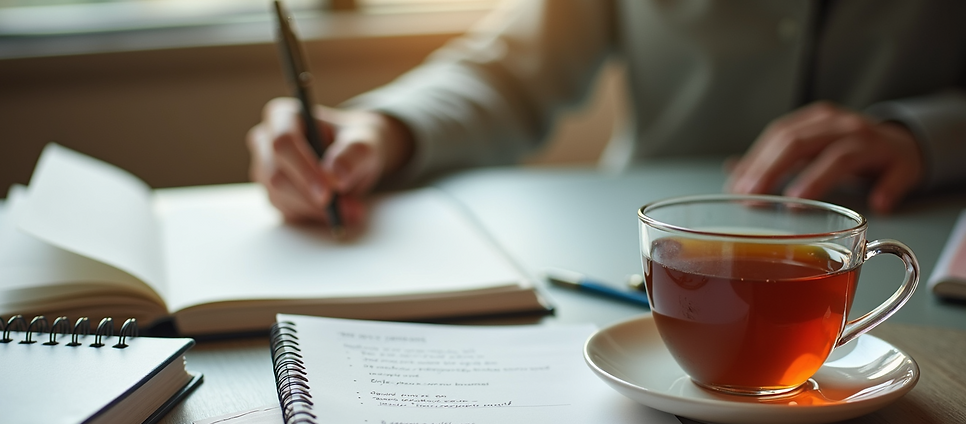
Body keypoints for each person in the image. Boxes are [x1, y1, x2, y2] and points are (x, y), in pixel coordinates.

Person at [247, 0, 966, 226]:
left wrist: (923, 133)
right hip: (644, 267)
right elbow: (514, 69)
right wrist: (384, 130)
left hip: (912, 237)